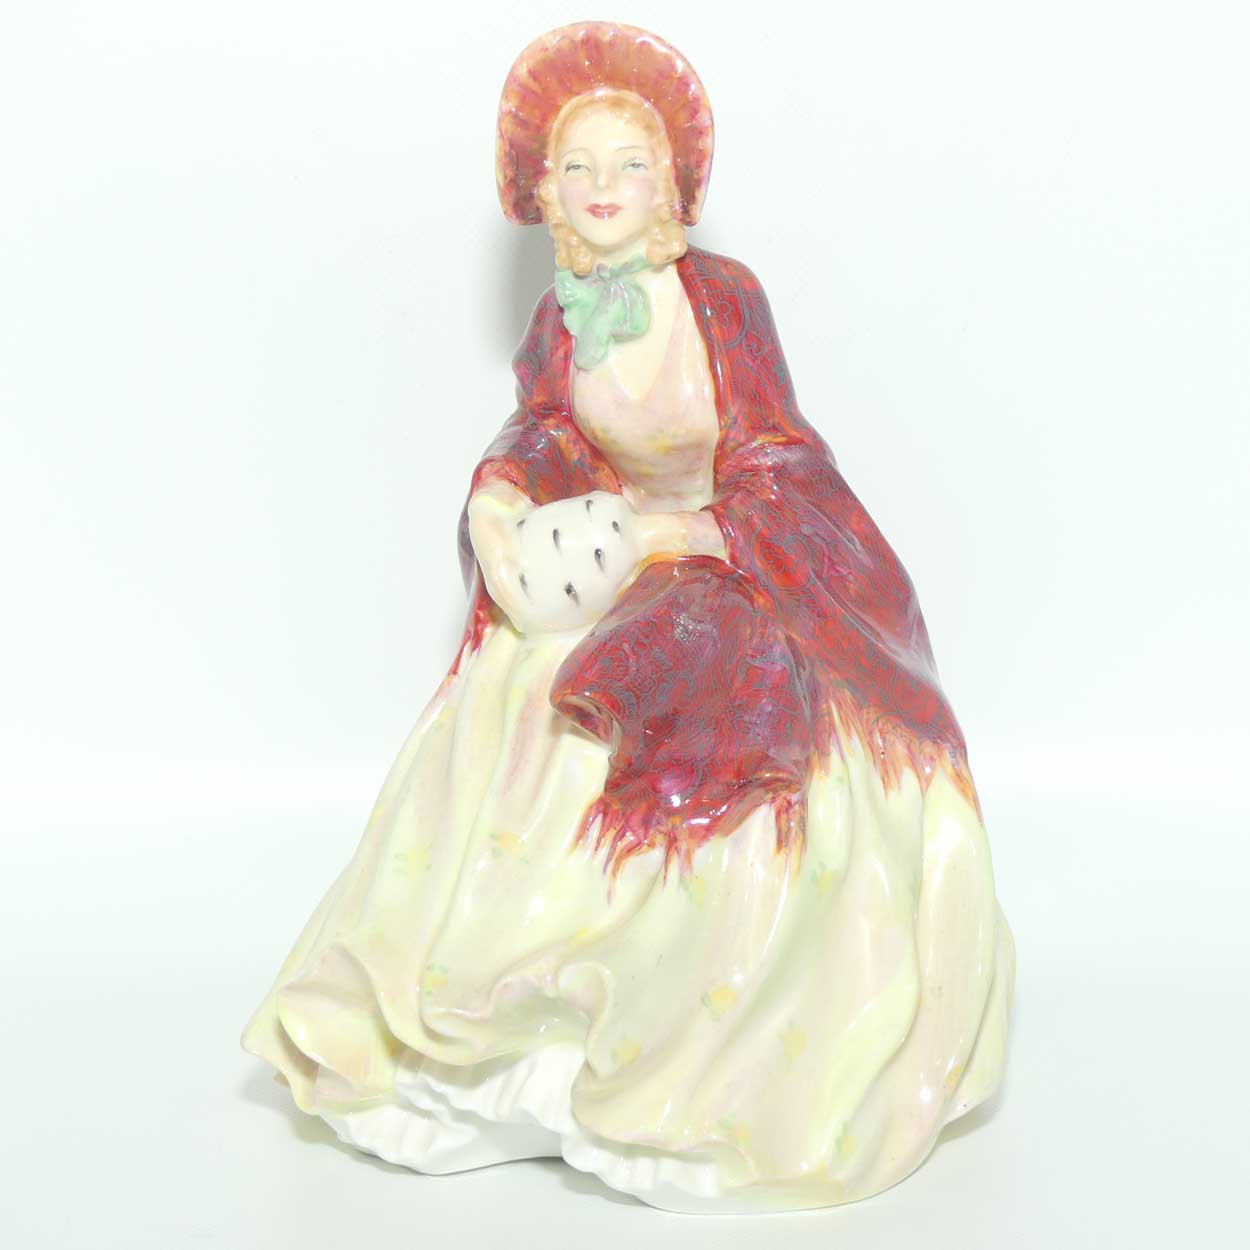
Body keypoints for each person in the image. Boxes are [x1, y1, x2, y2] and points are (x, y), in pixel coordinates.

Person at [241, 21, 1015, 1214]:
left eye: (629, 165)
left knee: (697, 705)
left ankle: (689, 1036)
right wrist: (502, 495)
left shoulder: (722, 300)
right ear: (543, 191)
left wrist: (692, 531)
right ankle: (488, 1006)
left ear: (671, 187)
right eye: (576, 167)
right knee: (510, 687)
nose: (601, 187)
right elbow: (548, 427)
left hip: (725, 553)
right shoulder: (562, 318)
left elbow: (775, 451)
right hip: (611, 554)